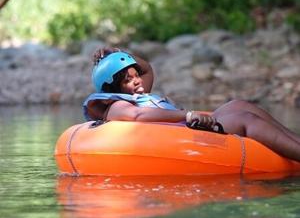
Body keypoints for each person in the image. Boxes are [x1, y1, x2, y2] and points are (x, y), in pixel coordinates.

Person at [83, 47, 300, 162]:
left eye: (135, 75)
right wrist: (186, 115)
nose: (137, 81)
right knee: (244, 119)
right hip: (185, 132)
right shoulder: (116, 106)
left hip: (187, 125)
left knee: (240, 104)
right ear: (113, 88)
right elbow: (138, 117)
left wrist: (119, 53)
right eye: (127, 80)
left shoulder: (139, 93)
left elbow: (147, 68)